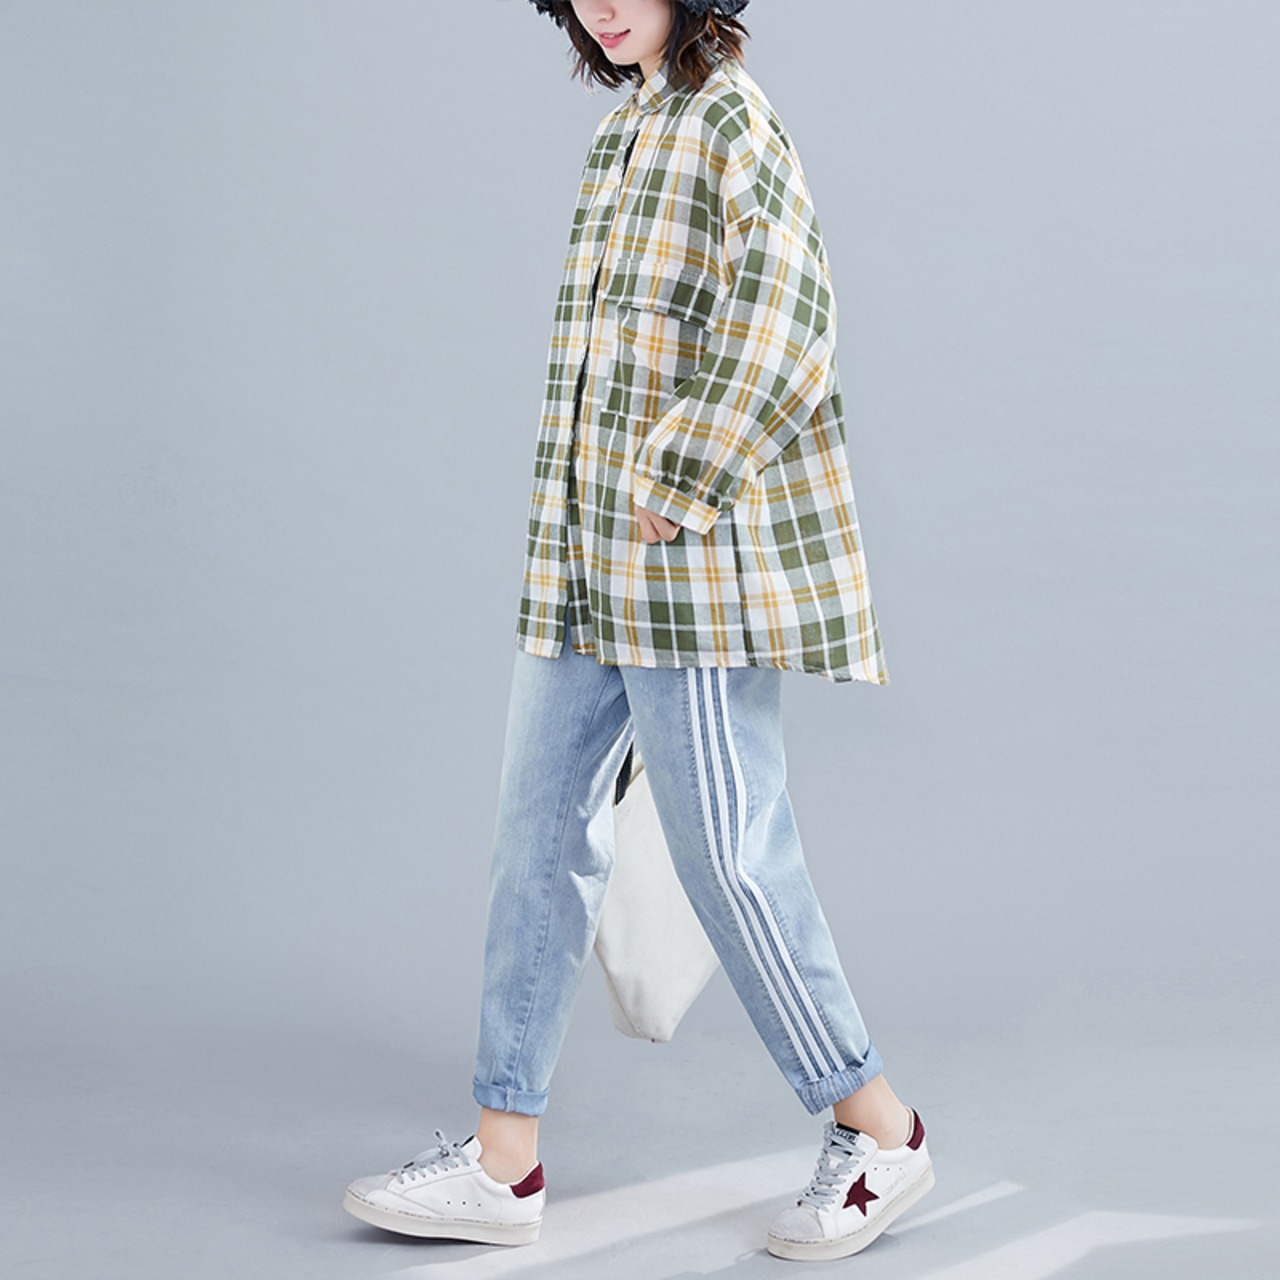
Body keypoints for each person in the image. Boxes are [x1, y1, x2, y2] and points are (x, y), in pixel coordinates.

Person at [343, 0, 934, 1262]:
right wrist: (578, 526)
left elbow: (788, 318)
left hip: (685, 575)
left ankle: (877, 1125)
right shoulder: (623, 134)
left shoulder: (731, 121)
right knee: (534, 841)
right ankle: (503, 1158)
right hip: (579, 572)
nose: (598, 4)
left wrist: (679, 480)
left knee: (729, 855)